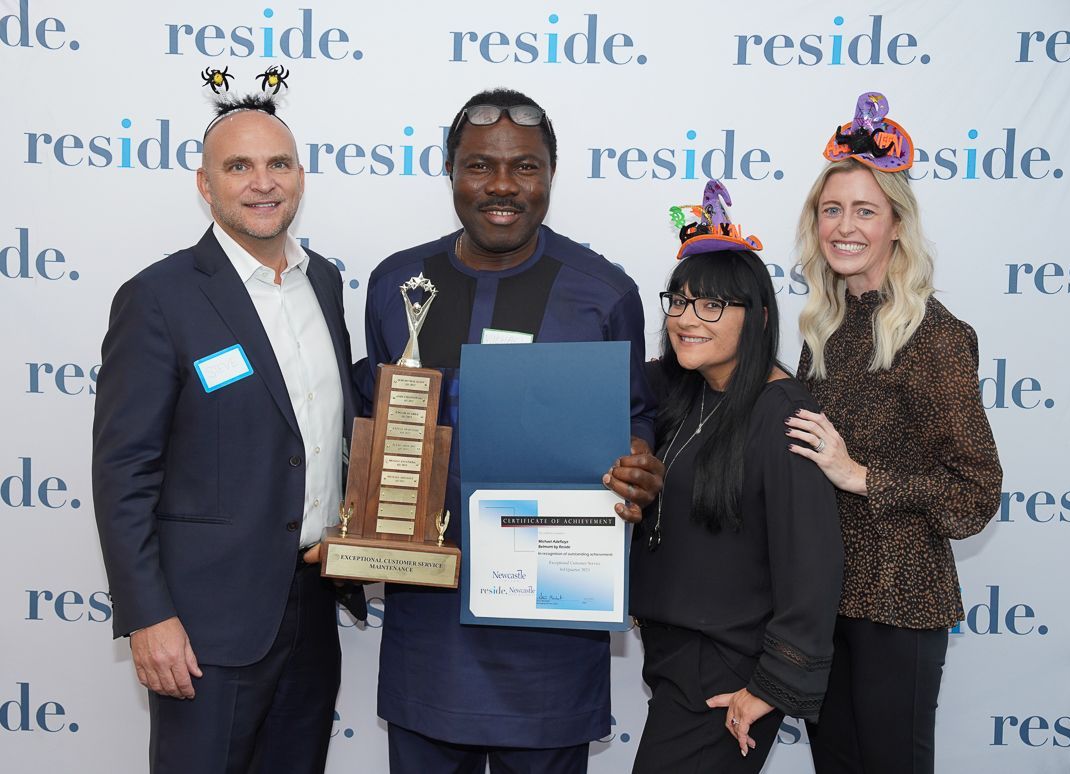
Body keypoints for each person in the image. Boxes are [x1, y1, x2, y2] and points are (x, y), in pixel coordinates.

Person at [356, 88, 663, 773]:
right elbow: (375, 413)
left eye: (525, 167)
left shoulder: (604, 291)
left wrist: (639, 459)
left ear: (552, 174)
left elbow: (635, 414)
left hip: (550, 619)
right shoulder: (395, 284)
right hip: (429, 615)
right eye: (479, 166)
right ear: (450, 172)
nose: (501, 186)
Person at [92, 89, 362, 773]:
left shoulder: (322, 283)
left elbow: (320, 438)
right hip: (203, 625)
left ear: (301, 175)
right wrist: (148, 616)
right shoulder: (160, 298)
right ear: (204, 185)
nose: (263, 182)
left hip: (309, 607)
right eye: (239, 167)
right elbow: (124, 471)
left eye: (279, 163)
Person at [785, 92, 1003, 774]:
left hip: (899, 604)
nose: (844, 226)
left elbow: (977, 493)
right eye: (832, 209)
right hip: (826, 600)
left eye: (865, 211)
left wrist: (862, 476)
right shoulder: (822, 328)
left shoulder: (934, 336)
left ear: (897, 227)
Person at [629, 180, 844, 773]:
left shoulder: (785, 415)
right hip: (675, 658)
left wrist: (771, 686)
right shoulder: (685, 393)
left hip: (726, 677)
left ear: (759, 317)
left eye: (711, 306)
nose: (685, 319)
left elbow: (814, 566)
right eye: (678, 301)